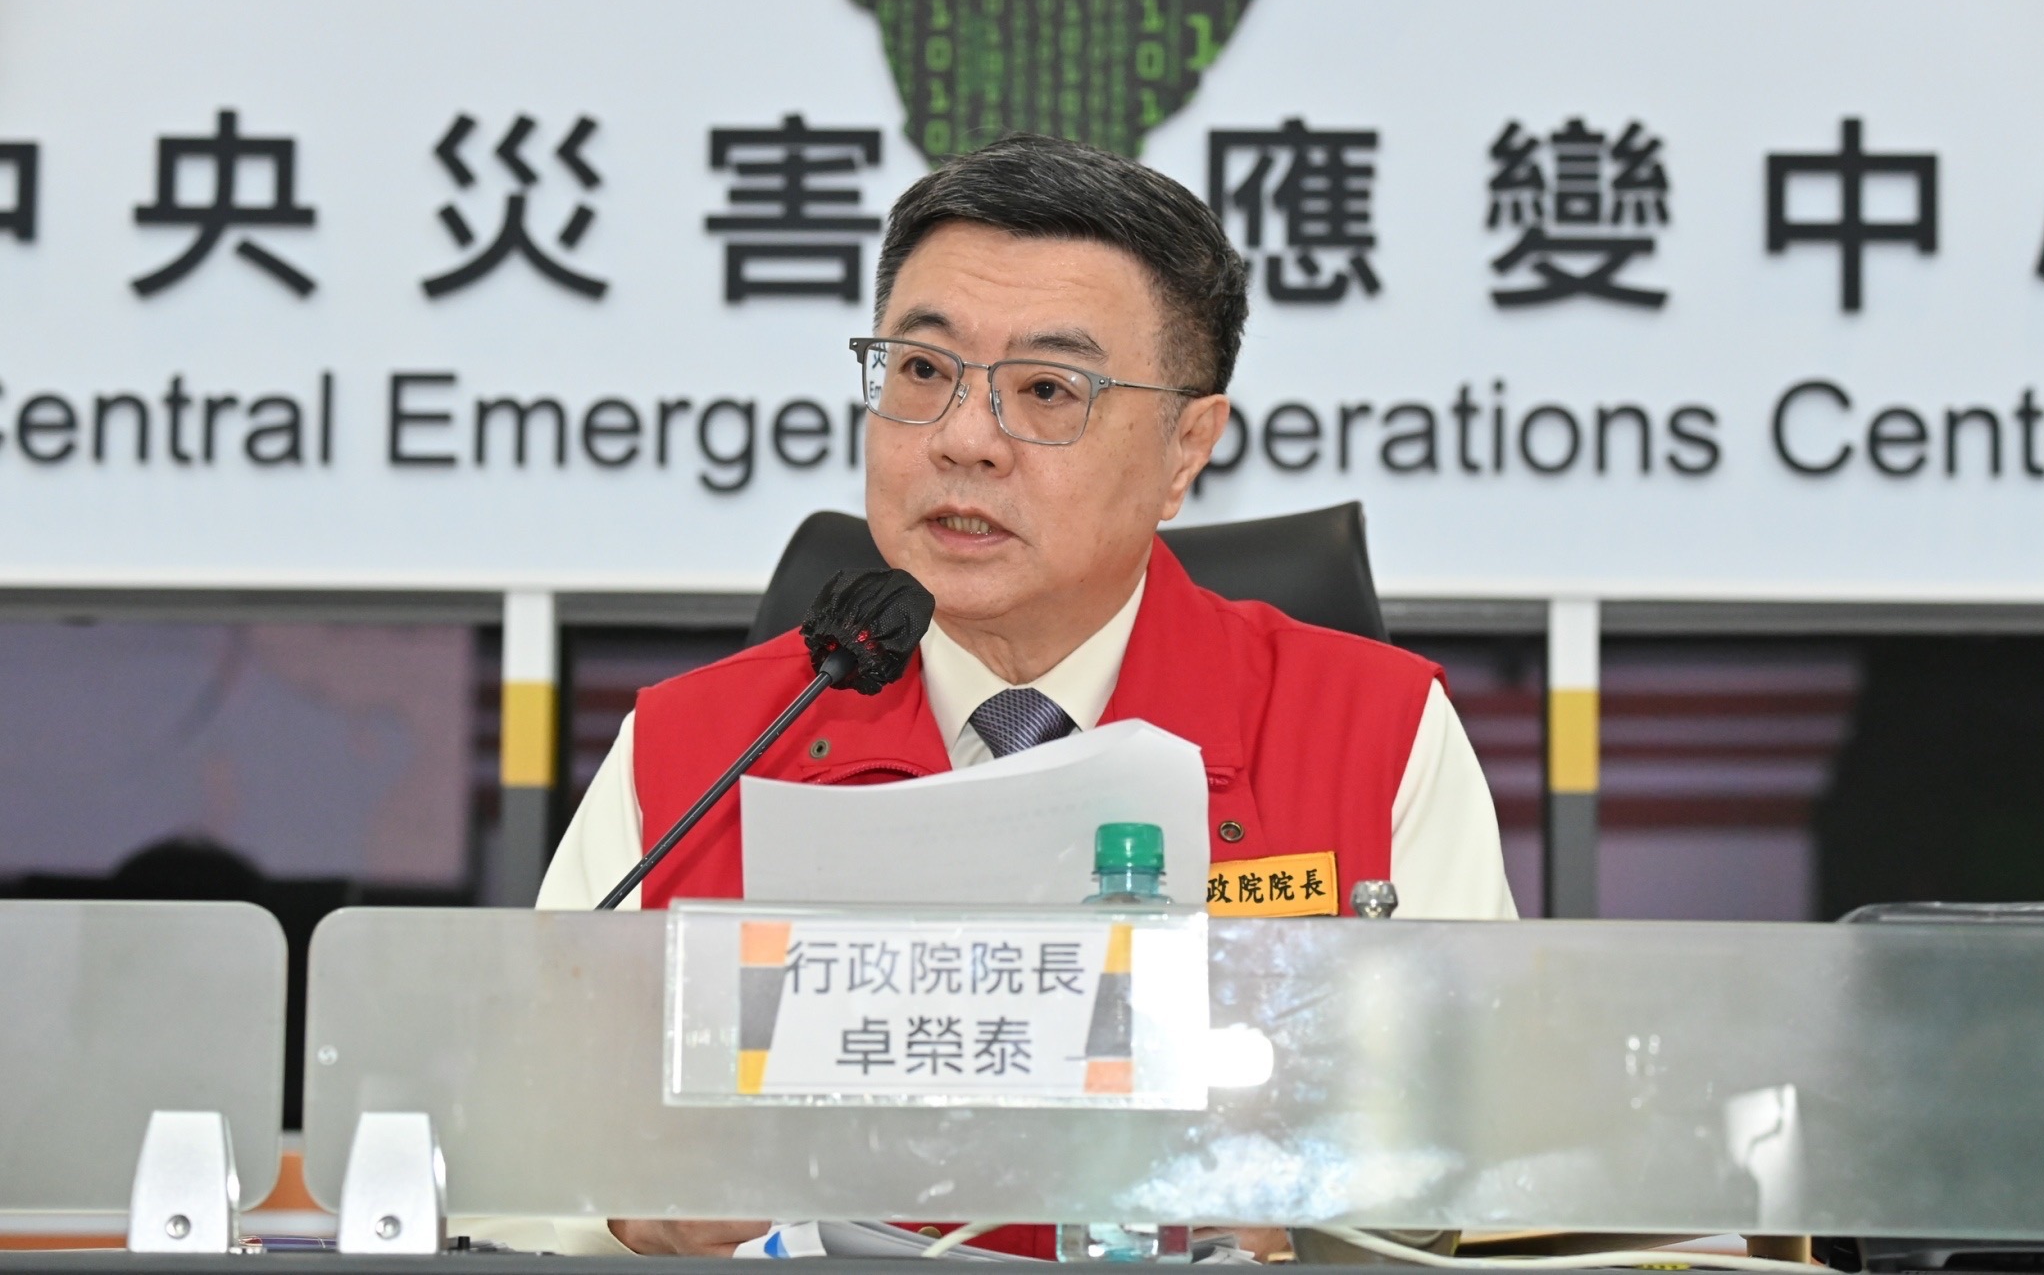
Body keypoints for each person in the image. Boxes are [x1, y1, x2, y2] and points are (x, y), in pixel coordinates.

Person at [529, 132, 1515, 1258]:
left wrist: (1322, 1206)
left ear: (1187, 448)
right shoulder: (694, 749)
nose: (963, 441)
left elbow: (1488, 1173)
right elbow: (509, 1176)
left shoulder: (1372, 734)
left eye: (1046, 390)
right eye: (921, 371)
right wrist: (628, 1214)